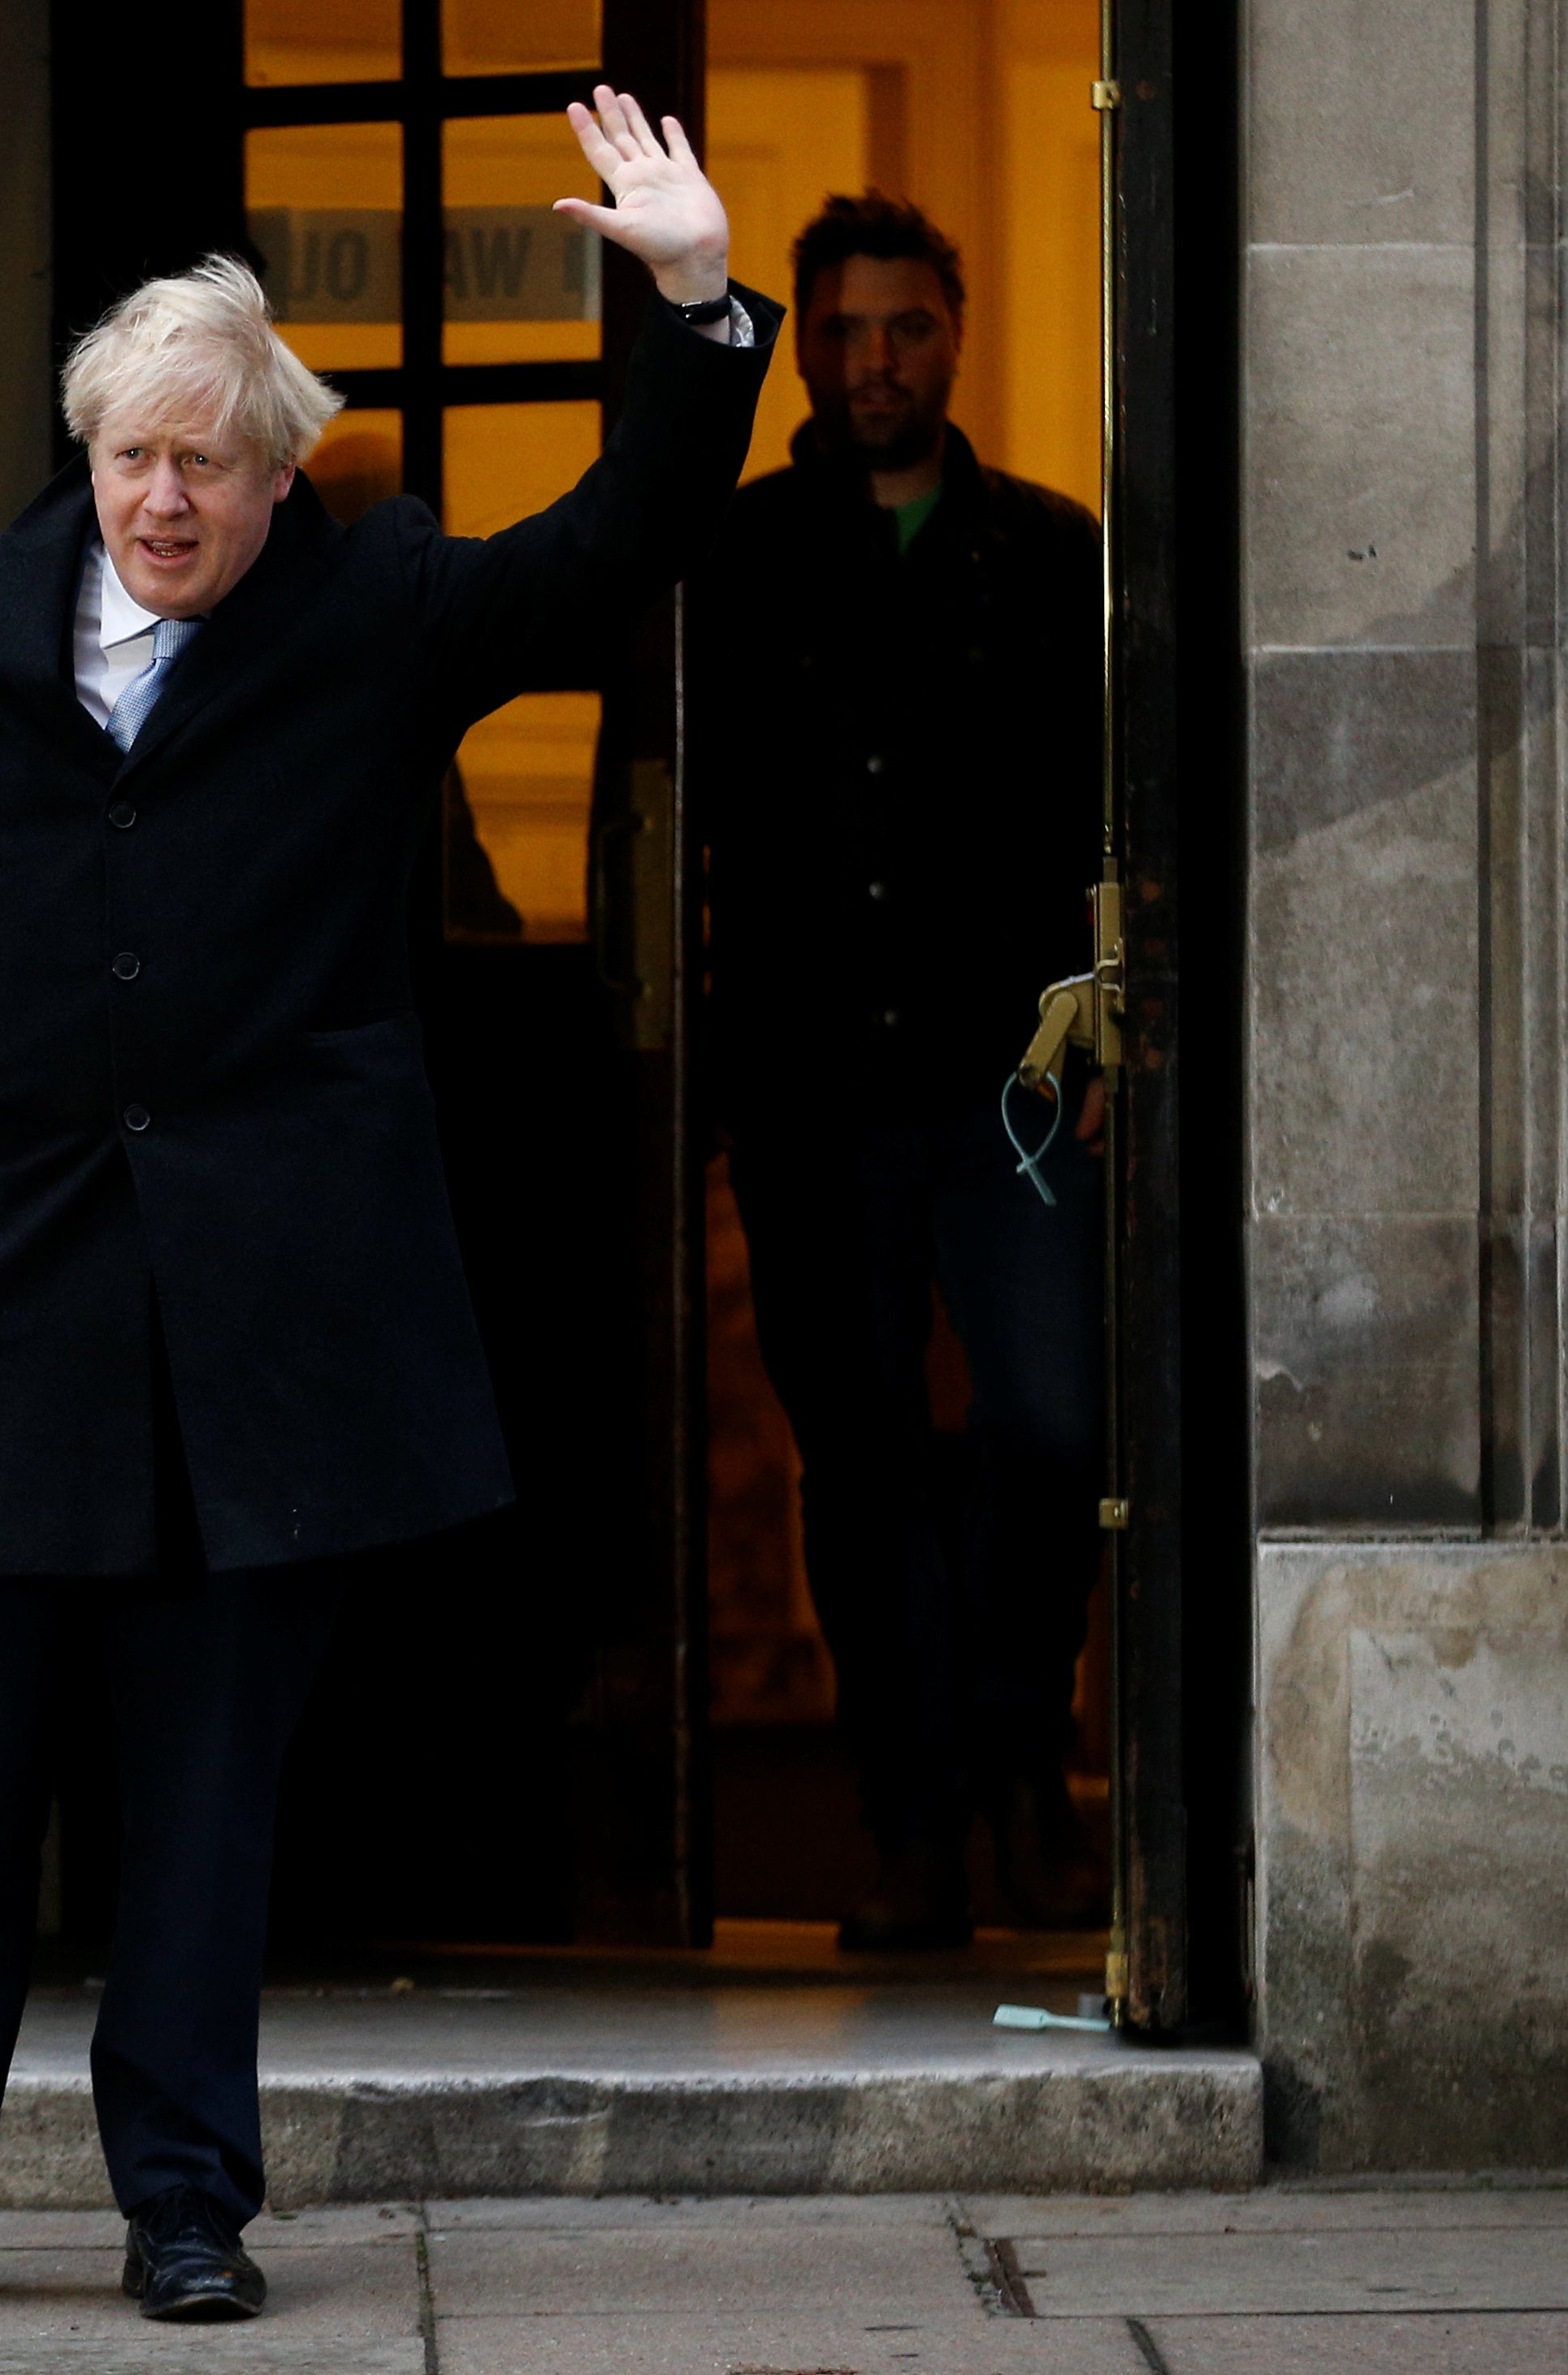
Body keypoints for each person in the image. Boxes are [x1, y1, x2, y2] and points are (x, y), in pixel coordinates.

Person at [0, 91, 773, 2326]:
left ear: (279, 479)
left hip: (260, 1312)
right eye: (134, 458)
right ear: (87, 455)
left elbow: (614, 545)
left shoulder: (370, 605)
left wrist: (691, 298)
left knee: (201, 1805)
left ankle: (183, 2195)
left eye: (211, 463)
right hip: (5, 1292)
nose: (166, 498)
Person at [693, 193, 1107, 1951]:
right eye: (844, 330)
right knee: (855, 1456)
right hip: (807, 1080)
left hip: (1008, 1080)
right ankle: (912, 1823)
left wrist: (1109, 1026)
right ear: (805, 339)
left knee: (1046, 1420)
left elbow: (1110, 815)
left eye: (906, 328)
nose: (874, 360)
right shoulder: (739, 553)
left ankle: (1022, 1762)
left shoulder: (1051, 548)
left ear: (952, 330)